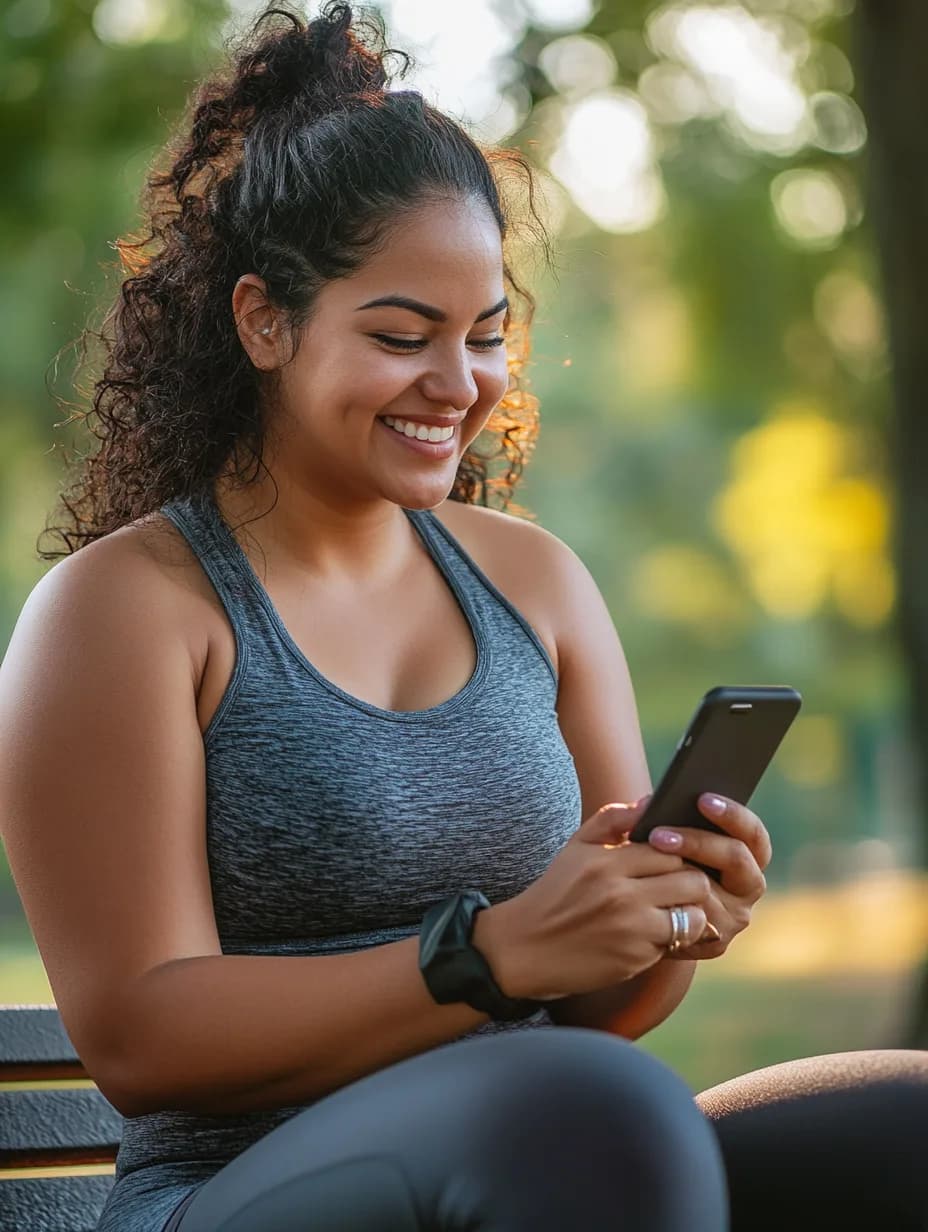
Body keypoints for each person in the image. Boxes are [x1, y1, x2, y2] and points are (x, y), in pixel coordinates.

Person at [1, 5, 926, 1230]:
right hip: (237, 1188)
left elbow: (605, 1011)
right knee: (591, 1110)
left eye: (486, 335)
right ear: (262, 321)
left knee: (901, 1124)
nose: (459, 384)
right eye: (401, 335)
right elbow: (138, 1033)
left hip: (556, 1139)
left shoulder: (532, 585)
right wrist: (482, 953)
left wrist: (658, 921)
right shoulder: (130, 609)